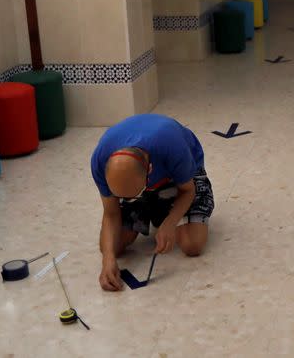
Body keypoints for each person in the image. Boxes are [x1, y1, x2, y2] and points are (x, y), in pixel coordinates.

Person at [90, 114, 215, 291]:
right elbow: (111, 213)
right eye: (124, 198)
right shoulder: (99, 161)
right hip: (141, 181)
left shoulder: (172, 146)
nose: (127, 201)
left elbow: (188, 191)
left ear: (149, 170)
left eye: (135, 195)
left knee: (192, 244)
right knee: (112, 247)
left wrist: (170, 223)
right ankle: (155, 208)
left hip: (182, 179)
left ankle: (162, 210)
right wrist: (108, 259)